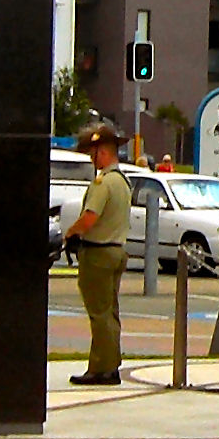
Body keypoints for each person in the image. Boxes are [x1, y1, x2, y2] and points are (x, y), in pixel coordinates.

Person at [62, 123, 132, 387]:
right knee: (110, 312)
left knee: (100, 314)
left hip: (99, 253)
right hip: (116, 250)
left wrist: (71, 232)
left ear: (103, 152)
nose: (92, 158)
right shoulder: (122, 182)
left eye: (93, 153)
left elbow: (90, 217)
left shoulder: (103, 182)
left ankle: (101, 367)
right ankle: (111, 363)